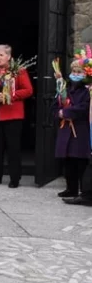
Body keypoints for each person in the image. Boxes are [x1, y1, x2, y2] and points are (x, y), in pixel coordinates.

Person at [0, 44, 34, 188]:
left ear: (9, 56)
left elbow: (28, 90)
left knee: (13, 148)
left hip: (12, 115)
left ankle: (14, 178)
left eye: (1, 55)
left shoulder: (19, 71)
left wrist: (10, 95)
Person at [54, 60, 90, 199]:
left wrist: (67, 112)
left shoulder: (87, 91)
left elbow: (84, 107)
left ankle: (83, 190)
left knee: (79, 160)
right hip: (66, 128)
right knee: (67, 160)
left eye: (78, 72)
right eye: (73, 71)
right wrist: (59, 113)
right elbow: (55, 104)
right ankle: (71, 188)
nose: (75, 74)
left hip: (80, 129)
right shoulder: (65, 88)